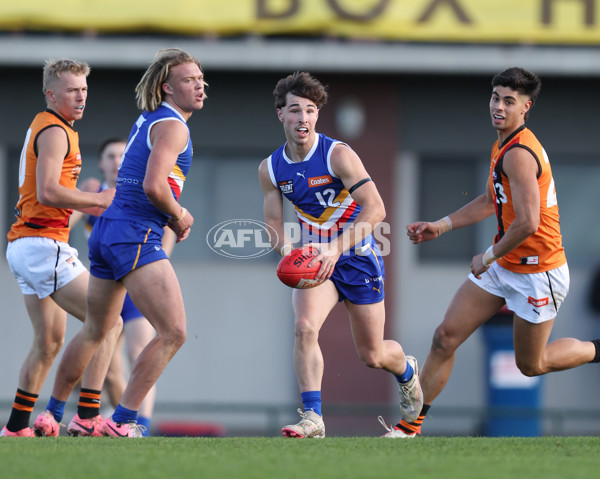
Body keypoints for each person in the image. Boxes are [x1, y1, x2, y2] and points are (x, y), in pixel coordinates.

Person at [380, 67, 600, 438]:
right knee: (445, 337)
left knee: (532, 365)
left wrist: (487, 257)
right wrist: (441, 225)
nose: (498, 106)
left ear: (525, 107)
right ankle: (409, 428)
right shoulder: (502, 143)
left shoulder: (519, 154)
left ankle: (597, 349)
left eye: (509, 101)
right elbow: (489, 201)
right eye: (496, 97)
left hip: (538, 271)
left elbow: (529, 222)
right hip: (505, 263)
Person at [44, 48, 203, 438]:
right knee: (174, 332)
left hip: (107, 230)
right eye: (188, 80)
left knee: (97, 329)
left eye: (201, 80)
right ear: (167, 87)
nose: (199, 86)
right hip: (134, 231)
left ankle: (56, 414)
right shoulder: (174, 125)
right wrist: (179, 215)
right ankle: (123, 421)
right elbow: (153, 185)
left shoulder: (151, 117)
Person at [258, 71, 423, 438]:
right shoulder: (271, 169)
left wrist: (334, 247)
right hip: (317, 259)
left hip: (357, 255)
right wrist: (292, 254)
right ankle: (313, 418)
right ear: (280, 115)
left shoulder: (338, 155)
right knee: (303, 329)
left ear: (318, 115)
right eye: (295, 110)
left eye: (311, 111)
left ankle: (407, 370)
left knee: (373, 355)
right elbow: (273, 224)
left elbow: (376, 209)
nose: (303, 118)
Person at [1, 58, 121, 437]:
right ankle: (87, 414)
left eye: (84, 88)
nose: (81, 96)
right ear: (50, 94)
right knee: (108, 322)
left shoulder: (53, 126)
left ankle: (17, 427)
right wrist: (99, 200)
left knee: (50, 342)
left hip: (26, 245)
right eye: (72, 89)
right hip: (42, 244)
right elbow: (49, 191)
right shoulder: (55, 131)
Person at [70, 138, 176, 436]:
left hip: (137, 286)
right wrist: (80, 194)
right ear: (102, 163)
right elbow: (65, 225)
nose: (117, 160)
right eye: (111, 156)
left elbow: (166, 227)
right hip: (105, 286)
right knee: (108, 367)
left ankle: (141, 424)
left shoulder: (142, 191)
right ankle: (119, 422)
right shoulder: (95, 196)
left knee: (139, 352)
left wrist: (157, 264)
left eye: (123, 155)